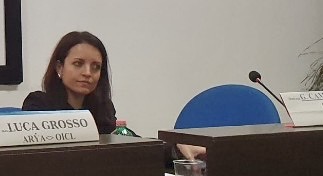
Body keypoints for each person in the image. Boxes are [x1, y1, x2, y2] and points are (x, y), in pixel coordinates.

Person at [23, 30, 205, 160]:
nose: (88, 73)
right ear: (59, 67)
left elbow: (130, 146)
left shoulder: (102, 108)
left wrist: (176, 150)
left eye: (96, 67)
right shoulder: (39, 104)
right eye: (78, 64)